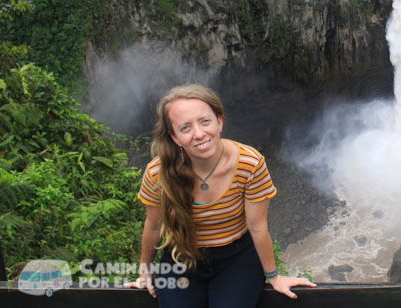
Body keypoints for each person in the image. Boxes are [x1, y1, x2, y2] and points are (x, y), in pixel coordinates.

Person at [125, 83, 315, 306]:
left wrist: (274, 276)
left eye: (205, 121)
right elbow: (153, 226)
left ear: (219, 121)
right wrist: (145, 271)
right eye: (185, 128)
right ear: (174, 137)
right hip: (181, 259)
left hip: (236, 261)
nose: (199, 134)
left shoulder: (249, 164)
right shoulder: (159, 173)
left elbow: (257, 227)